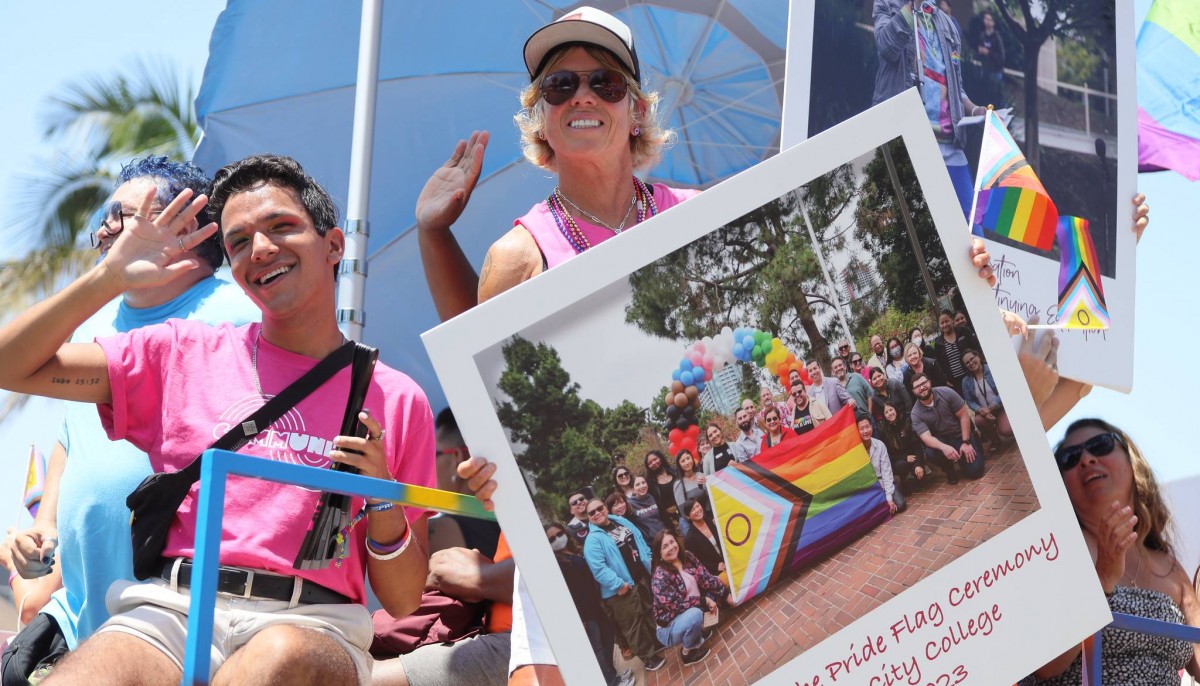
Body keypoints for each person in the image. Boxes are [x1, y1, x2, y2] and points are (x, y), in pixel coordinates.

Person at [0, 154, 434, 686]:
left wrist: (383, 498)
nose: (261, 248)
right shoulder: (179, 351)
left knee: (277, 656)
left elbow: (403, 599)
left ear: (334, 245)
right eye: (240, 242)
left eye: (281, 226)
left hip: (314, 622)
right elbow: (10, 366)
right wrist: (107, 278)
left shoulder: (397, 398)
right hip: (171, 612)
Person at [0, 157, 260, 680]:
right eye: (103, 218)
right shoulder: (92, 325)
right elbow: (71, 437)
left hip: (183, 623)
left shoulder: (242, 317)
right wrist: (45, 524)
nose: (102, 231)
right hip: (81, 618)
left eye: (118, 217)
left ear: (184, 226)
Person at [1023, 420, 1200, 684]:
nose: (1086, 459)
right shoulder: (1049, 552)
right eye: (1069, 458)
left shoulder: (1170, 567)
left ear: (1132, 461)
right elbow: (1046, 666)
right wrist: (1102, 578)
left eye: (1100, 445)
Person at [873, 0, 984, 220]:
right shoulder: (888, 4)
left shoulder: (948, 25)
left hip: (949, 145)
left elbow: (956, 86)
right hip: (908, 140)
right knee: (908, 224)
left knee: (971, 226)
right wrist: (911, 7)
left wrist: (975, 110)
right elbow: (886, 48)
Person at [371, 541, 514, 686]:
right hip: (492, 626)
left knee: (359, 676)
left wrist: (474, 576)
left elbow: (530, 578)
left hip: (516, 645)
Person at [544, 523, 633, 686]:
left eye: (559, 534)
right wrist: (580, 618)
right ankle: (611, 682)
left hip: (595, 605)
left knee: (608, 637)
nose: (557, 539)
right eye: (551, 539)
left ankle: (612, 674)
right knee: (597, 648)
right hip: (584, 613)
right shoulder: (558, 564)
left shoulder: (573, 551)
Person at [581, 499, 664, 673]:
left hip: (640, 577)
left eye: (599, 508)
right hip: (621, 590)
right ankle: (648, 657)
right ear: (588, 517)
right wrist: (618, 585)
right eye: (592, 512)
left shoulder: (619, 521)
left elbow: (638, 539)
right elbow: (599, 569)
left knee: (648, 612)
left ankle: (656, 643)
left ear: (605, 507)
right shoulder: (593, 540)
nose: (597, 513)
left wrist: (648, 557)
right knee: (634, 624)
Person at [428, 408, 501, 557]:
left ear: (457, 457)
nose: (429, 465)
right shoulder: (528, 513)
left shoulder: (443, 529)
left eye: (433, 455)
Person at [649, 530, 725, 667]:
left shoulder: (687, 556)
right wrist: (704, 601)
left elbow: (706, 577)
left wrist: (726, 594)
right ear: (659, 554)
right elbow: (677, 605)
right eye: (665, 546)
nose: (671, 547)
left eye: (672, 542)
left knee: (716, 584)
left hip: (692, 606)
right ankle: (687, 653)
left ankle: (699, 631)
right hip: (669, 627)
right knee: (695, 615)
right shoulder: (659, 577)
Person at [910, 373, 985, 484]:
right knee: (930, 452)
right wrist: (944, 448)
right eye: (917, 386)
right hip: (942, 440)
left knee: (975, 472)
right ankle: (949, 469)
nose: (921, 388)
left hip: (960, 435)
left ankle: (972, 444)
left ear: (929, 382)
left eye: (923, 383)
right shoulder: (915, 413)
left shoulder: (946, 392)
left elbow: (964, 415)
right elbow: (926, 438)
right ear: (913, 391)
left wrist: (966, 441)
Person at [960, 348, 1012, 446]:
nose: (970, 363)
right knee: (978, 421)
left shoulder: (993, 369)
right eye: (967, 363)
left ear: (978, 357)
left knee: (1007, 430)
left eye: (972, 359)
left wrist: (991, 407)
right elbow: (970, 401)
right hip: (983, 412)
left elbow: (1004, 391)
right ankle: (995, 440)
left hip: (1001, 407)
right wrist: (980, 410)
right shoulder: (965, 381)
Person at [877, 402, 928, 492]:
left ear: (895, 409)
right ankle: (904, 480)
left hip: (913, 456)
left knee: (920, 479)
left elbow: (917, 446)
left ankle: (915, 474)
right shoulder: (884, 430)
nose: (890, 413)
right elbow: (888, 455)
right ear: (884, 416)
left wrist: (919, 465)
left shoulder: (906, 422)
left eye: (891, 410)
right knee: (901, 465)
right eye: (886, 412)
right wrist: (904, 457)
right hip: (898, 460)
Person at [858, 418, 905, 514]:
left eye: (867, 427)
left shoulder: (880, 445)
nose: (865, 431)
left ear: (871, 427)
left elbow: (886, 472)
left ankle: (893, 488)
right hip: (868, 487)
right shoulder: (855, 450)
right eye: (862, 428)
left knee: (900, 505)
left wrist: (889, 498)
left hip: (882, 482)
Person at [930, 309, 979, 391]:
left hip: (972, 374)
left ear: (952, 320)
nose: (945, 325)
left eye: (947, 321)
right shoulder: (938, 343)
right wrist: (945, 379)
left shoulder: (964, 332)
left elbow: (976, 347)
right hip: (955, 383)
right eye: (942, 323)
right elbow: (939, 364)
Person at [679, 499, 725, 582]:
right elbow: (696, 562)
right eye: (693, 509)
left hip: (728, 560)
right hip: (714, 573)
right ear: (688, 516)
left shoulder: (712, 521)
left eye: (697, 506)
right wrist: (715, 566)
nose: (697, 510)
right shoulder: (690, 538)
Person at [968, 10, 1006, 108]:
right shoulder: (982, 35)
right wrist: (979, 52)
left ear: (993, 23)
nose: (987, 21)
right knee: (985, 97)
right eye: (986, 19)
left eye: (990, 20)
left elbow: (1001, 57)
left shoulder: (997, 37)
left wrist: (989, 52)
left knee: (996, 98)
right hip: (985, 70)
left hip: (995, 71)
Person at [626, 476, 668, 542]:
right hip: (651, 542)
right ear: (633, 489)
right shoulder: (630, 505)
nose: (642, 486)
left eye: (643, 482)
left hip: (665, 535)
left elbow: (663, 516)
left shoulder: (653, 497)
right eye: (637, 484)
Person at [643, 450, 679, 525]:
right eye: (650, 463)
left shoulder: (675, 472)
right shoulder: (650, 483)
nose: (653, 463)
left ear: (661, 458)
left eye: (655, 459)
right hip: (672, 519)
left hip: (687, 510)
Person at [671, 451, 708, 518]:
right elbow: (682, 510)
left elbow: (709, 496)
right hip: (695, 519)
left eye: (688, 458)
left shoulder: (701, 475)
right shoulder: (678, 484)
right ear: (679, 465)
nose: (687, 462)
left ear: (692, 459)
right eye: (683, 461)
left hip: (709, 514)